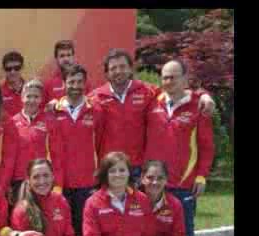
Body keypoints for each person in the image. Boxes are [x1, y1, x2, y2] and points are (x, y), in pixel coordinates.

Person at [90, 49, 215, 183]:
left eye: (122, 66)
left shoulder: (148, 91)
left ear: (130, 69)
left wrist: (203, 94)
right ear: (107, 73)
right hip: (110, 167)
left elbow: (175, 91)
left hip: (139, 168)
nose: (118, 71)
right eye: (113, 68)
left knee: (138, 204)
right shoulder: (95, 97)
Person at [144, 59, 215, 236]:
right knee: (152, 230)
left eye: (173, 77)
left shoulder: (198, 107)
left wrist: (201, 176)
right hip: (153, 183)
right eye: (164, 77)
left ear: (186, 79)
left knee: (184, 232)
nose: (168, 81)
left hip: (183, 182)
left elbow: (207, 147)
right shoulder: (153, 100)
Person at [53, 65, 105, 236]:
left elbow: (101, 144)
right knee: (60, 228)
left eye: (79, 82)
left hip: (86, 182)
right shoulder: (52, 110)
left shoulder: (96, 110)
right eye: (71, 82)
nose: (75, 86)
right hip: (59, 182)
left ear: (85, 83)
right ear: (64, 83)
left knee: (83, 228)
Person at [11, 79, 63, 199]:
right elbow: (9, 156)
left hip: (43, 181)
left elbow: (57, 155)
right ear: (22, 97)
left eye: (36, 97)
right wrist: (9, 183)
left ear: (41, 99)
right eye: (29, 96)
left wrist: (58, 185)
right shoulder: (12, 122)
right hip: (20, 181)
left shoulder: (50, 121)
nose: (32, 100)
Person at [43, 40, 92, 107]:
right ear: (56, 58)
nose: (66, 59)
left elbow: (91, 104)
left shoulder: (84, 81)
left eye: (69, 55)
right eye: (62, 56)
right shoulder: (48, 83)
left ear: (73, 57)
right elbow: (43, 109)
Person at [0, 51, 25, 117]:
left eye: (17, 68)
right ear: (3, 69)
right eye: (8, 69)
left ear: (22, 67)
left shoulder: (31, 89)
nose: (12, 72)